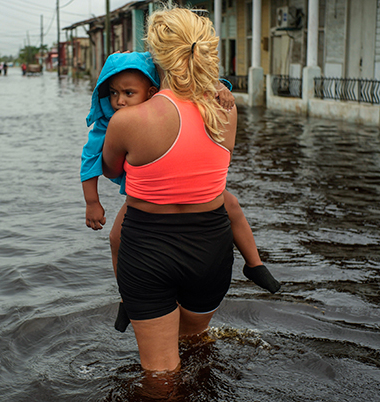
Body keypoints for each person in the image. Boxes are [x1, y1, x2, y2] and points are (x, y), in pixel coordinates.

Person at [102, 5, 276, 372]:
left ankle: (127, 305)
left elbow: (110, 169)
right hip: (210, 247)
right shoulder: (224, 109)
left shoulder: (127, 120)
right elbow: (214, 167)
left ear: (156, 56)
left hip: (147, 248)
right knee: (195, 346)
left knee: (161, 373)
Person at [82, 54, 280, 331]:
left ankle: (255, 264)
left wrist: (219, 87)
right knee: (116, 238)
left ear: (151, 90)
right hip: (148, 194)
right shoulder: (113, 122)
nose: (120, 101)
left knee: (231, 204)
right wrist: (93, 201)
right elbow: (91, 160)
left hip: (185, 191)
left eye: (128, 93)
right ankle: (127, 297)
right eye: (114, 94)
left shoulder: (158, 109)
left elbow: (192, 82)